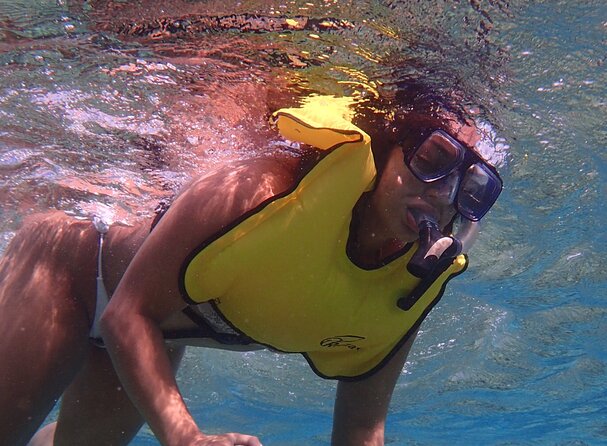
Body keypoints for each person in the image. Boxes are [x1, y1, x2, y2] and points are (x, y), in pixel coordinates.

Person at [0, 91, 502, 445]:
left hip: (151, 336)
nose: (442, 192)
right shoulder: (266, 190)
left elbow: (361, 431)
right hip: (71, 269)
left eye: (470, 184)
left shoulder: (406, 288)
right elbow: (125, 314)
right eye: (434, 159)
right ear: (387, 146)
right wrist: (187, 437)